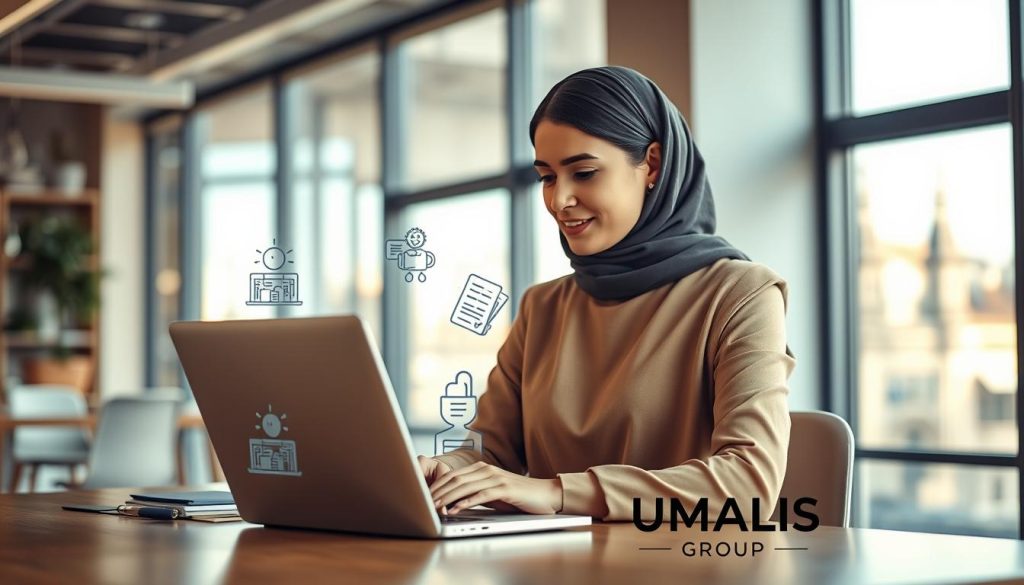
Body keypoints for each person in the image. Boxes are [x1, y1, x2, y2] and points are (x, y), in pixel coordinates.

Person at [418, 66, 795, 522]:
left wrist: (557, 494)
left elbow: (748, 485)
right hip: (551, 566)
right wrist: (442, 471)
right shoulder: (543, 307)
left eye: (584, 172)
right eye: (548, 177)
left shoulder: (740, 294)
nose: (559, 200)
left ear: (651, 164)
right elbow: (491, 453)